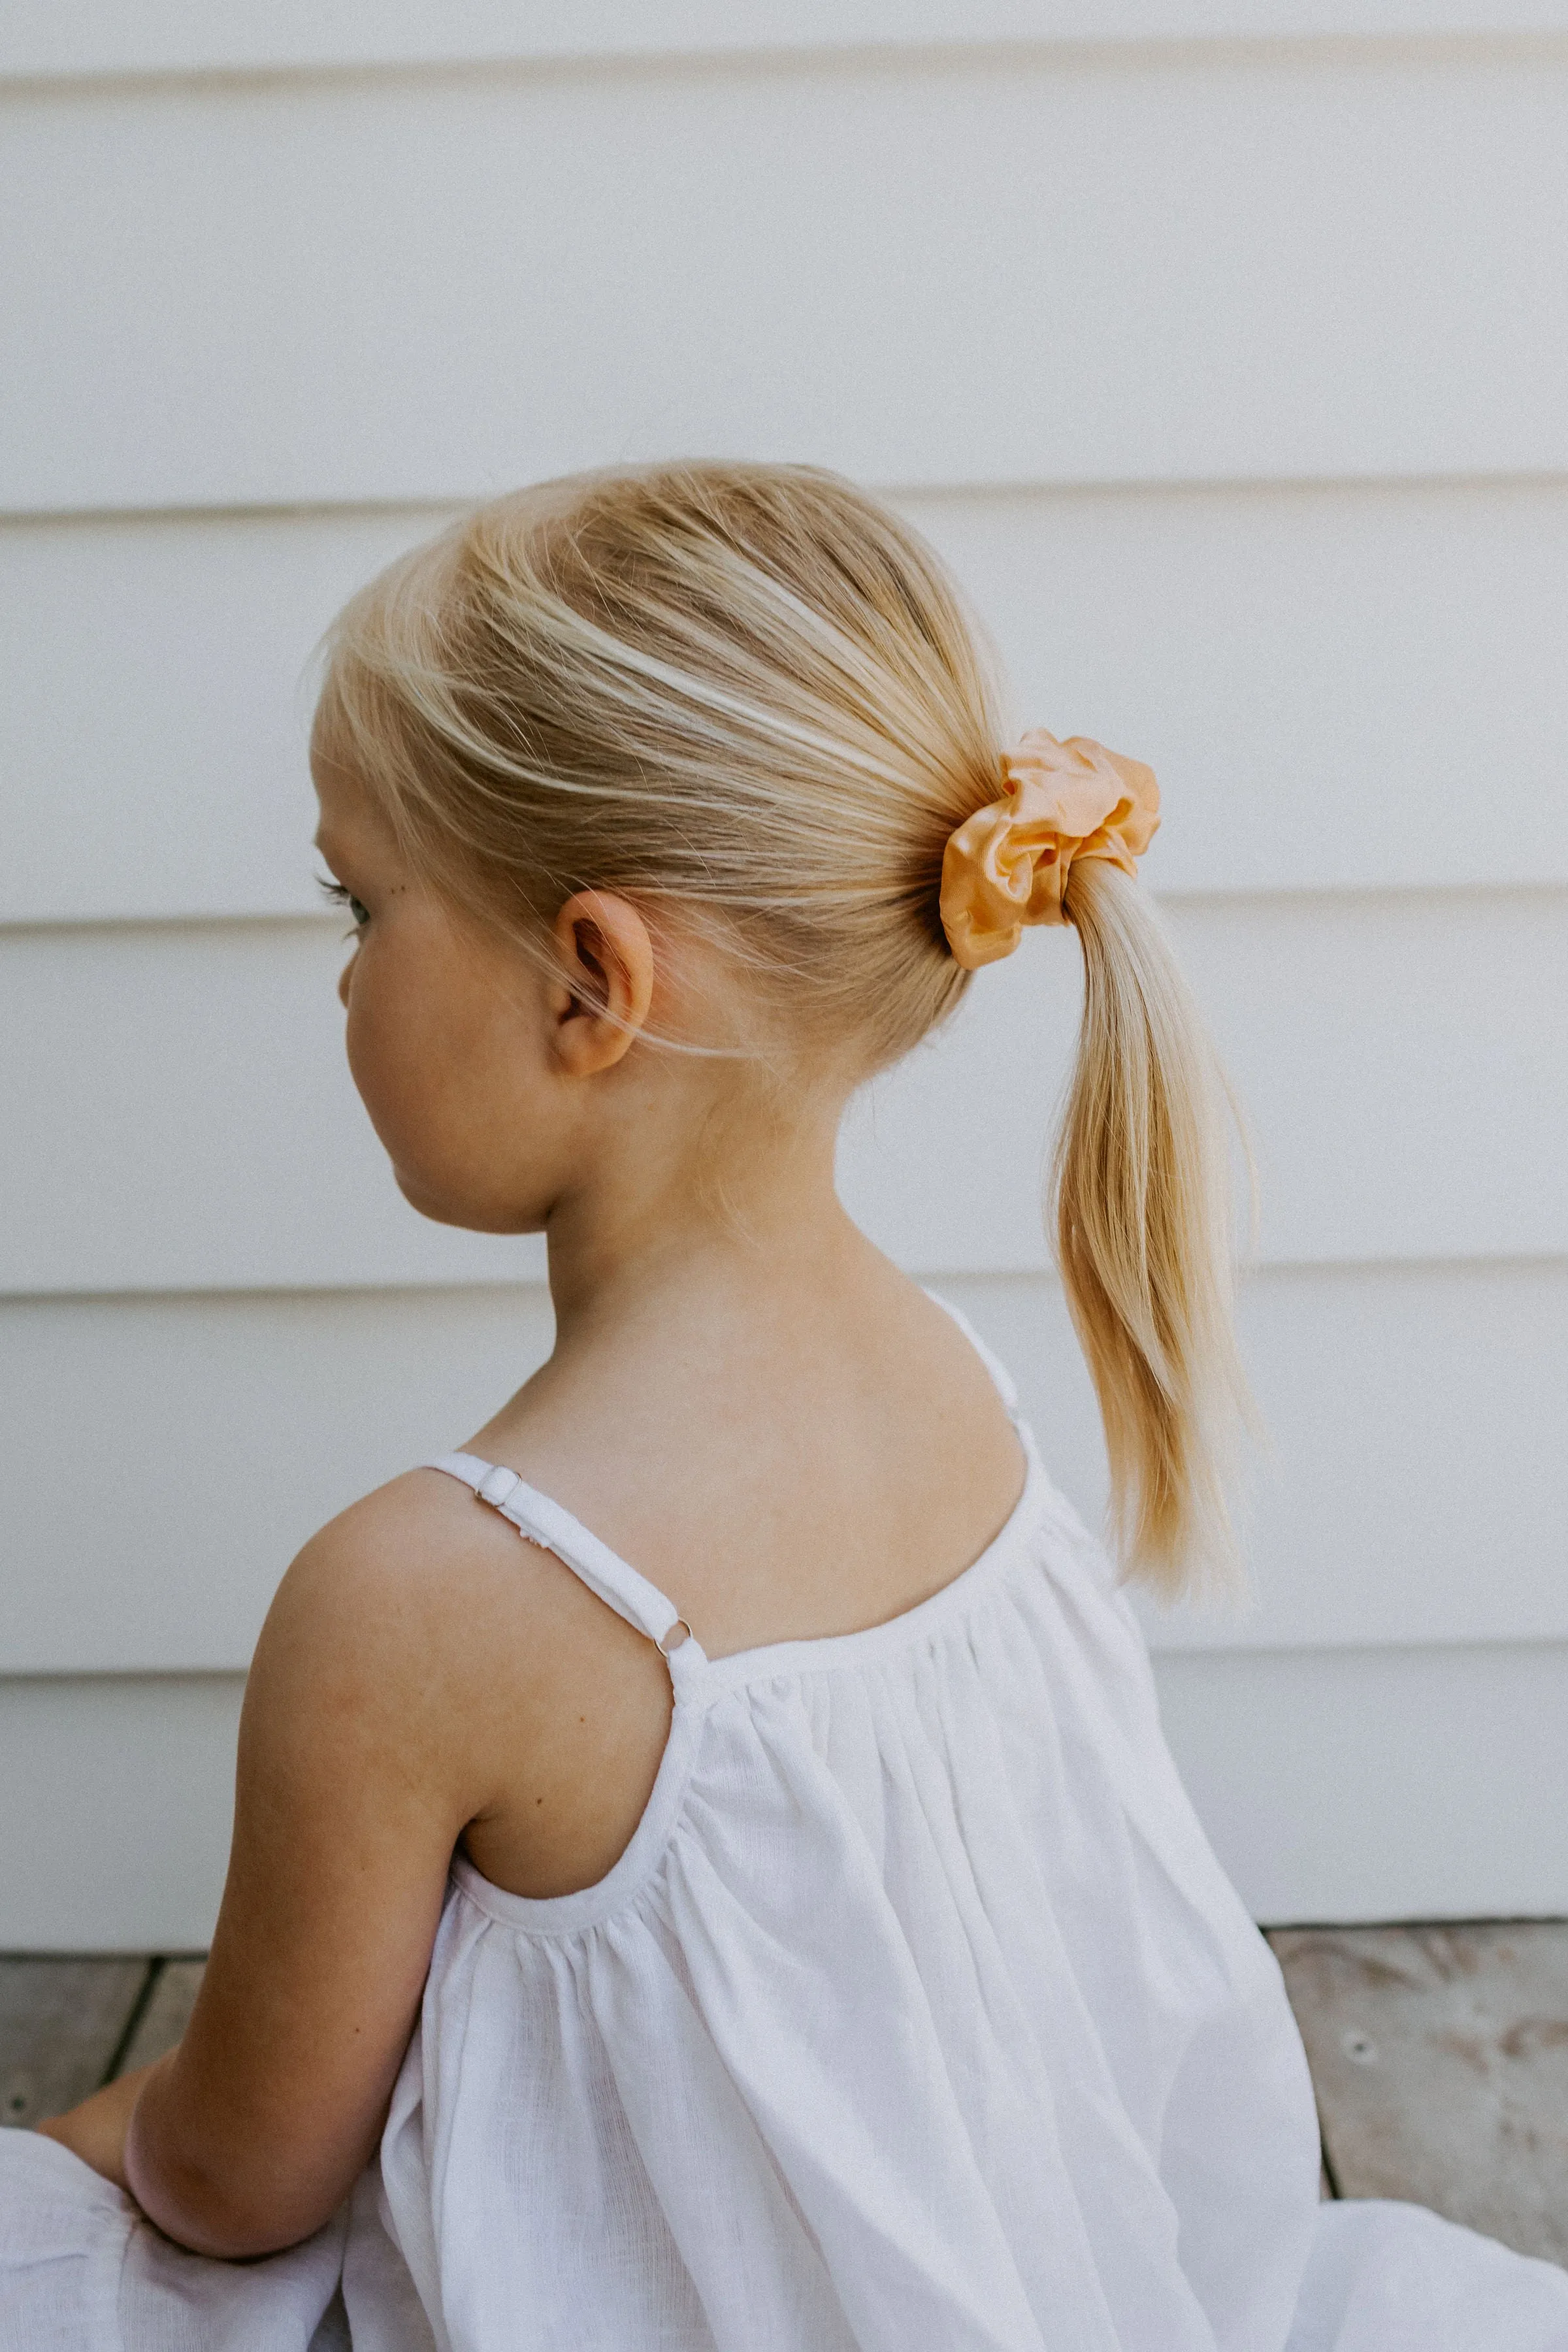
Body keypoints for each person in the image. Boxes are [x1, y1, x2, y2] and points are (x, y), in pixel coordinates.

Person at [3, 463, 1563, 2352]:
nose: (341, 981)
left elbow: (236, 2176)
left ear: (591, 982)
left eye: (361, 901)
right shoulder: (953, 1392)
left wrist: (86, 2146)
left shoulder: (418, 1603)